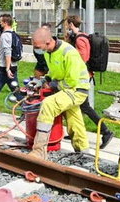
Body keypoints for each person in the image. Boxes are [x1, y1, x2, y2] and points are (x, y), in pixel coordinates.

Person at [30, 27, 90, 159]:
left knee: (48, 105)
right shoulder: (48, 53)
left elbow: (71, 81)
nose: (36, 49)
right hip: (68, 88)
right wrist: (44, 80)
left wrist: (53, 85)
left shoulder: (69, 52)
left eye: (37, 46)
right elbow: (55, 72)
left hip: (76, 89)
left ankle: (39, 151)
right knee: (74, 118)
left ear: (47, 42)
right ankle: (83, 152)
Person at [65, 15, 114, 148]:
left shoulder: (80, 39)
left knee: (84, 106)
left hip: (83, 76)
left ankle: (106, 131)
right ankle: (74, 130)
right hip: (83, 75)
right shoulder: (81, 36)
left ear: (70, 24)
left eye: (67, 24)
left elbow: (83, 57)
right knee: (76, 105)